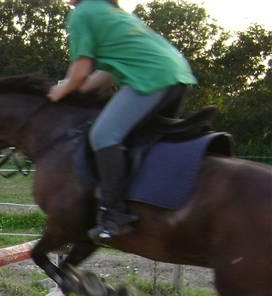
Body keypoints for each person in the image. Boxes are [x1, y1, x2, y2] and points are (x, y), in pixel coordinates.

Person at [47, 0, 197, 241]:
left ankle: (114, 215)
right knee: (135, 138)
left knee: (103, 135)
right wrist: (74, 89)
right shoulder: (109, 11)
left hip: (152, 77)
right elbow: (103, 76)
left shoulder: (82, 13)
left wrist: (56, 93)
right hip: (176, 74)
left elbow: (80, 71)